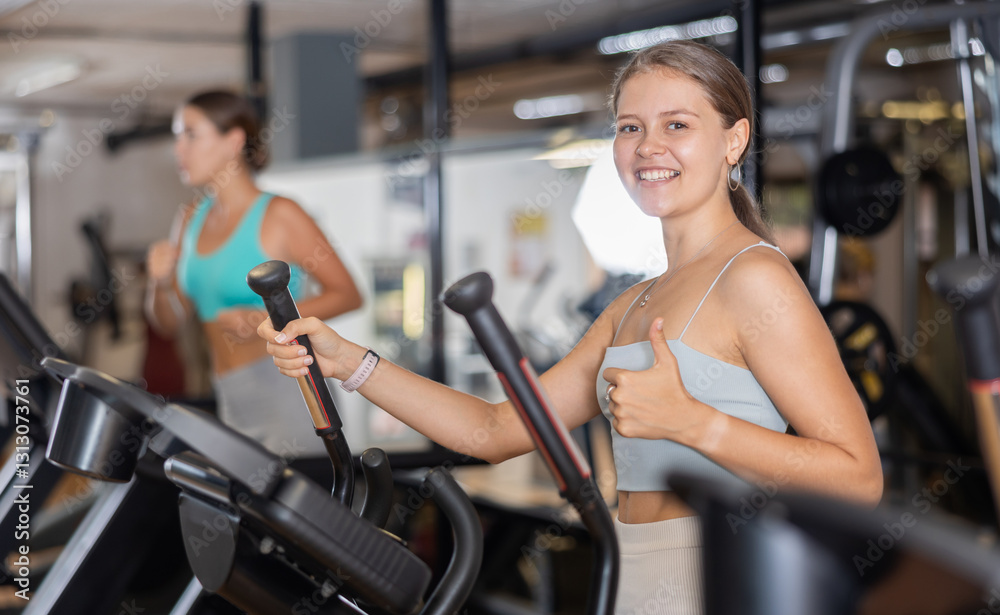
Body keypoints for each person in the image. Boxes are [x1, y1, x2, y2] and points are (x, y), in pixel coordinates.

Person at [258, 41, 882, 614]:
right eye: (629, 128)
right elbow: (496, 429)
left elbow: (857, 479)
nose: (647, 147)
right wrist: (350, 363)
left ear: (734, 140)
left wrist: (697, 422)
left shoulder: (755, 278)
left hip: (711, 569)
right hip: (627, 563)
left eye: (678, 126)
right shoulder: (634, 302)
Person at [145, 90, 363, 458]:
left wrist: (266, 318)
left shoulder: (281, 214)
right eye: (177, 137)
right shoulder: (188, 219)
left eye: (191, 135)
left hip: (286, 390)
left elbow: (348, 294)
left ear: (233, 141)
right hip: (229, 394)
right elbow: (169, 321)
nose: (178, 149)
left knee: (302, 510)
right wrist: (159, 281)